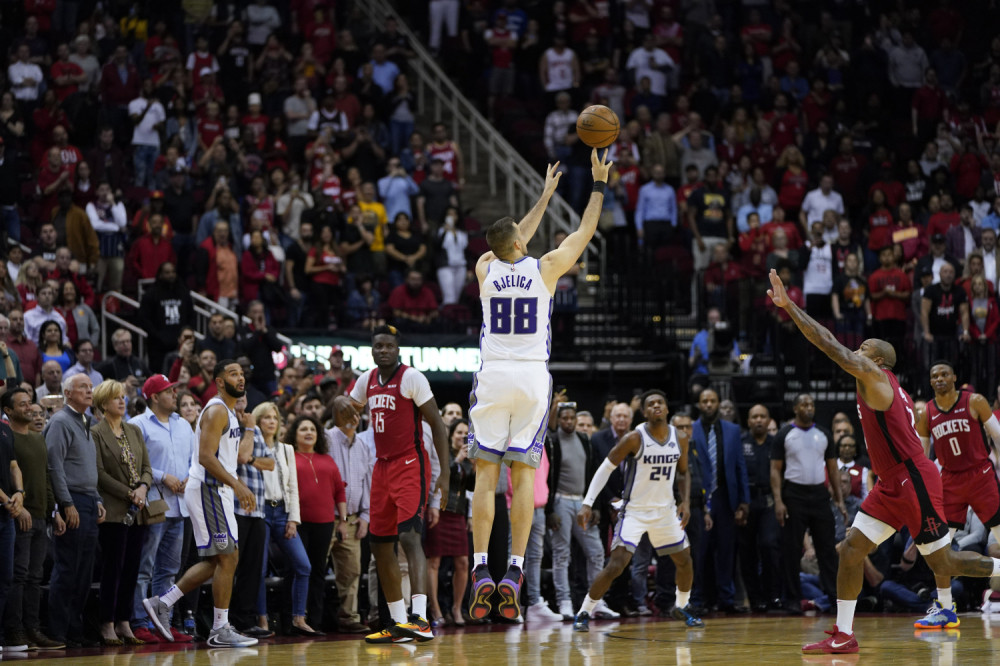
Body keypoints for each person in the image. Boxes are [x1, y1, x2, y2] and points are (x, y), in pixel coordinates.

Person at [766, 268, 1000, 655]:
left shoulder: (874, 376)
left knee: (945, 561)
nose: (854, 353)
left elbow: (828, 343)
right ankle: (844, 634)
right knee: (851, 550)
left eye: (861, 350)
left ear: (875, 359)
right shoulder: (891, 387)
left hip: (912, 477)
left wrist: (790, 306)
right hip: (892, 481)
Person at [468, 150, 611, 623]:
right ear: (521, 245)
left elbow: (511, 239)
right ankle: (514, 570)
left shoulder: (485, 268)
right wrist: (597, 186)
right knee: (523, 477)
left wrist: (543, 196)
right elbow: (585, 232)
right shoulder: (545, 267)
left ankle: (480, 567)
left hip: (492, 374)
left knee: (486, 477)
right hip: (531, 376)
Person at [142, 360, 259, 648]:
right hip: (209, 488)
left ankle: (163, 603)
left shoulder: (230, 412)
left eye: (242, 374)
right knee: (228, 557)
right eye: (233, 373)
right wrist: (237, 484)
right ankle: (219, 628)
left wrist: (249, 431)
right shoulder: (217, 409)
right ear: (219, 381)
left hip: (219, 491)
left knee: (217, 560)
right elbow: (206, 457)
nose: (240, 378)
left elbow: (238, 456)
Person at [348, 326, 450, 643]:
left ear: (398, 349)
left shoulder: (411, 378)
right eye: (378, 346)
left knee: (409, 537)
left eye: (389, 346)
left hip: (410, 464)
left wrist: (445, 474)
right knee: (379, 546)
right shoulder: (365, 380)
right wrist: (340, 405)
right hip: (381, 466)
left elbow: (437, 423)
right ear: (372, 350)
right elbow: (347, 413)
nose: (383, 350)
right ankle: (399, 623)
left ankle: (420, 619)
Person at [572, 390, 703, 631]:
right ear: (643, 412)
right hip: (635, 511)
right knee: (616, 565)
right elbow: (605, 468)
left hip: (665, 511)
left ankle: (682, 606)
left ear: (666, 408)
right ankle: (584, 612)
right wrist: (587, 503)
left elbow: (684, 472)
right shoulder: (635, 438)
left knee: (685, 560)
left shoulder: (681, 438)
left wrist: (684, 501)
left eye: (660, 402)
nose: (656, 406)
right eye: (650, 403)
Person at [912, 361, 1000, 629]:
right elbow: (922, 455)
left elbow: (998, 437)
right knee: (940, 548)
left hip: (981, 475)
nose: (939, 378)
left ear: (954, 377)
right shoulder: (927, 412)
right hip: (949, 481)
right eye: (934, 376)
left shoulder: (975, 401)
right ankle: (945, 607)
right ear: (930, 382)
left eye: (944, 374)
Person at [130, 375, 194, 644]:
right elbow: (132, 462)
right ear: (154, 397)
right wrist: (162, 476)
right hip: (153, 506)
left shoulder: (184, 425)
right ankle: (139, 622)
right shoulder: (137, 425)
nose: (175, 395)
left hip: (180, 507)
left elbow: (195, 460)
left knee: (169, 570)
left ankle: (163, 623)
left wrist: (190, 477)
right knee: (144, 568)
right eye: (169, 391)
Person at [45, 373, 105, 647]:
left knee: (84, 571)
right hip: (73, 501)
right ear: (67, 393)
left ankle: (74, 629)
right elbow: (54, 466)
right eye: (83, 387)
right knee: (68, 568)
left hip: (89, 501)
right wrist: (65, 503)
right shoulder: (60, 421)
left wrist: (98, 499)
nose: (89, 391)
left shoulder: (86, 422)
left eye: (91, 387)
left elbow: (87, 469)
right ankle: (58, 630)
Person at [91, 380, 153, 646]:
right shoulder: (95, 433)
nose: (122, 401)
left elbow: (148, 467)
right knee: (112, 568)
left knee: (132, 568)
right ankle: (107, 623)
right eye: (116, 398)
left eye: (123, 397)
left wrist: (143, 487)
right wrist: (129, 493)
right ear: (104, 403)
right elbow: (99, 474)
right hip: (114, 510)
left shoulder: (134, 430)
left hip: (138, 510)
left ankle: (125, 621)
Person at [771, 393, 845, 614]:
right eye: (803, 404)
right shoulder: (785, 433)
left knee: (827, 550)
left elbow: (832, 469)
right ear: (795, 408)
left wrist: (839, 500)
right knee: (792, 550)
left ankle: (834, 598)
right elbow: (775, 470)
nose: (808, 407)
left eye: (811, 404)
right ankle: (792, 599)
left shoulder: (823, 433)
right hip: (793, 495)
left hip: (819, 494)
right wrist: (778, 501)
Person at [2, 388, 64, 650]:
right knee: (19, 575)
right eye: (23, 404)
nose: (29, 408)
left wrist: (54, 511)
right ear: (8, 410)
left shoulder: (38, 438)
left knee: (36, 577)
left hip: (41, 515)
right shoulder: (7, 437)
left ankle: (32, 629)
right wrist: (20, 507)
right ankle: (14, 631)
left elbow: (45, 477)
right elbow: (8, 475)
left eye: (30, 403)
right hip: (19, 514)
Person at [252, 403, 315, 637]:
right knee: (258, 567)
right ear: (258, 422)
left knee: (303, 565)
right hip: (260, 512)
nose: (271, 421)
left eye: (274, 418)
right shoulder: (252, 447)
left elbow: (293, 486)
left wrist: (294, 518)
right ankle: (262, 619)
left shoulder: (287, 449)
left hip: (283, 512)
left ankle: (299, 617)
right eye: (266, 417)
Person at [545, 404, 608, 620]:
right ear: (559, 419)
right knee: (562, 554)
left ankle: (596, 601)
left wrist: (595, 505)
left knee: (596, 551)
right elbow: (547, 477)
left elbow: (593, 475)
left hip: (583, 502)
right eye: (565, 418)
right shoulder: (552, 442)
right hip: (561, 501)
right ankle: (564, 602)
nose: (569, 422)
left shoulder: (584, 440)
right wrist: (549, 509)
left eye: (572, 418)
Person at [690, 388, 750, 613]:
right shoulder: (691, 429)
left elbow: (740, 467)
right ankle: (698, 600)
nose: (708, 405)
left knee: (726, 551)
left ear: (717, 404)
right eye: (704, 401)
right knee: (700, 551)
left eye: (712, 401)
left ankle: (727, 599)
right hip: (700, 499)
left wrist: (744, 501)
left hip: (725, 497)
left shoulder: (733, 430)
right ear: (699, 404)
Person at [290, 414, 345, 632]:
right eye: (303, 429)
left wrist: (342, 521)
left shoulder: (328, 460)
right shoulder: (290, 458)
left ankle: (315, 620)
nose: (309, 433)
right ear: (294, 435)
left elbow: (340, 491)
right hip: (298, 523)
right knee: (297, 570)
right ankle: (293, 619)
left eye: (312, 429)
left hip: (325, 523)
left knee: (318, 572)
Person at [230, 396, 276, 640]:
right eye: (237, 397)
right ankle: (224, 622)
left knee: (252, 568)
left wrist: (250, 459)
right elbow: (240, 455)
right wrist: (248, 432)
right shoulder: (227, 424)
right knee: (230, 566)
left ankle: (245, 621)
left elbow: (270, 464)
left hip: (257, 509)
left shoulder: (255, 428)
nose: (241, 401)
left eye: (244, 397)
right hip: (234, 507)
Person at [326, 396, 372, 634]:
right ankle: (307, 618)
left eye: (356, 413)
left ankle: (348, 616)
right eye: (348, 413)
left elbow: (367, 484)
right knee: (313, 570)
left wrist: (366, 515)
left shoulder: (364, 445)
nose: (353, 418)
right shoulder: (326, 439)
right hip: (326, 518)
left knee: (352, 572)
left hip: (353, 519)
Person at [425, 419, 474, 627]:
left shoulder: (468, 459)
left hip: (458, 514)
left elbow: (471, 488)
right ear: (451, 434)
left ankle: (456, 607)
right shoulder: (442, 452)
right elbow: (440, 479)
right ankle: (435, 607)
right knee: (434, 562)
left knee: (463, 562)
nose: (462, 436)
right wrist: (457, 461)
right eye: (458, 432)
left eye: (465, 433)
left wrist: (473, 467)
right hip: (440, 511)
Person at [739, 404, 782, 612]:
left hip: (768, 502)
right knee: (747, 553)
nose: (758, 420)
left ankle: (772, 595)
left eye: (762, 416)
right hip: (746, 502)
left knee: (768, 545)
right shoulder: (740, 443)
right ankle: (755, 598)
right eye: (754, 416)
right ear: (748, 421)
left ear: (768, 420)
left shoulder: (776, 444)